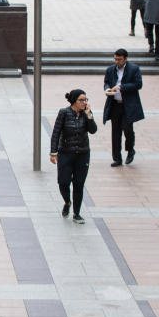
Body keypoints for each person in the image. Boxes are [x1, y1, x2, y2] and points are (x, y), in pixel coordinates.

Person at [50, 89, 97, 223]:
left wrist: (89, 116)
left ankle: (77, 213)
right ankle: (67, 202)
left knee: (79, 183)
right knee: (63, 182)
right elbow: (56, 133)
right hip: (65, 153)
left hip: (82, 154)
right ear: (74, 101)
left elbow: (93, 130)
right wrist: (53, 152)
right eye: (81, 100)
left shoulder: (86, 114)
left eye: (85, 100)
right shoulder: (64, 113)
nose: (84, 103)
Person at [103, 49, 145, 167]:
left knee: (127, 129)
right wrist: (107, 89)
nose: (117, 62)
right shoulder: (110, 70)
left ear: (125, 59)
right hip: (115, 104)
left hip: (128, 105)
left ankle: (130, 149)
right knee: (115, 132)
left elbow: (138, 84)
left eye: (119, 59)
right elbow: (106, 82)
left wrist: (121, 87)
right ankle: (117, 158)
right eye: (115, 59)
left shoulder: (134, 69)